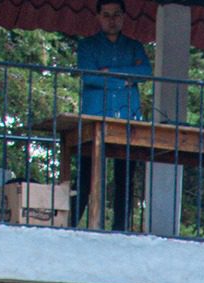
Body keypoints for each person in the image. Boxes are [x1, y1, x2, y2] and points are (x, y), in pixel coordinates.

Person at [73, 0, 150, 231]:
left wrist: (110, 74)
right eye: (106, 15)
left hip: (127, 119)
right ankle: (70, 225)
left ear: (124, 16)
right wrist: (126, 80)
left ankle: (120, 230)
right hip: (95, 117)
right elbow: (89, 77)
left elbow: (145, 72)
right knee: (86, 177)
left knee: (124, 179)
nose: (111, 20)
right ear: (98, 17)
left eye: (116, 14)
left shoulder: (134, 46)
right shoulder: (87, 46)